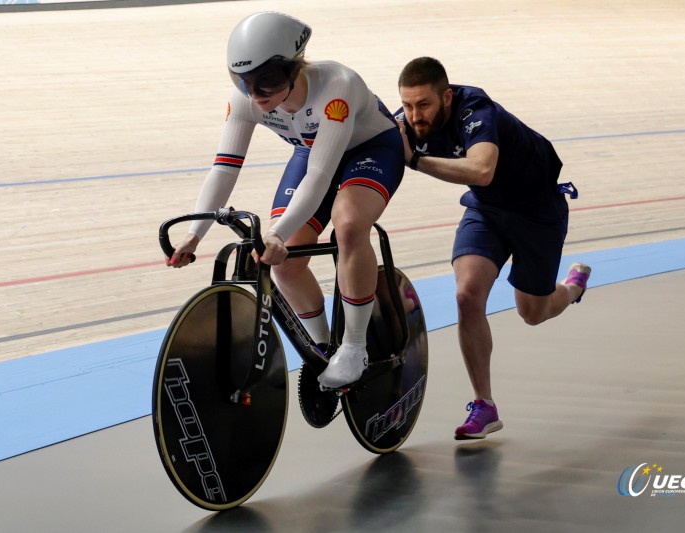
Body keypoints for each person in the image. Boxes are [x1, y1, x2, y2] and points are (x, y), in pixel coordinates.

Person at [167, 12, 405, 390]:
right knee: (287, 261)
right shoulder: (246, 100)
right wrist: (196, 234)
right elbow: (225, 168)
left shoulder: (336, 86)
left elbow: (320, 176)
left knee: (348, 224)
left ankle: (355, 347)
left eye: (268, 82)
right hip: (313, 152)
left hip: (370, 150)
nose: (257, 94)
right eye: (244, 82)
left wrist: (275, 232)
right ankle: (322, 347)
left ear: (296, 69)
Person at [395, 57, 592, 440]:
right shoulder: (406, 121)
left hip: (538, 212)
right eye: (407, 105)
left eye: (424, 105)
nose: (415, 116)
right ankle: (484, 405)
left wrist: (415, 160)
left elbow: (482, 170)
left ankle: (571, 289)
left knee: (532, 312)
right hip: (486, 211)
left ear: (446, 97)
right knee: (467, 295)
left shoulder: (475, 111)